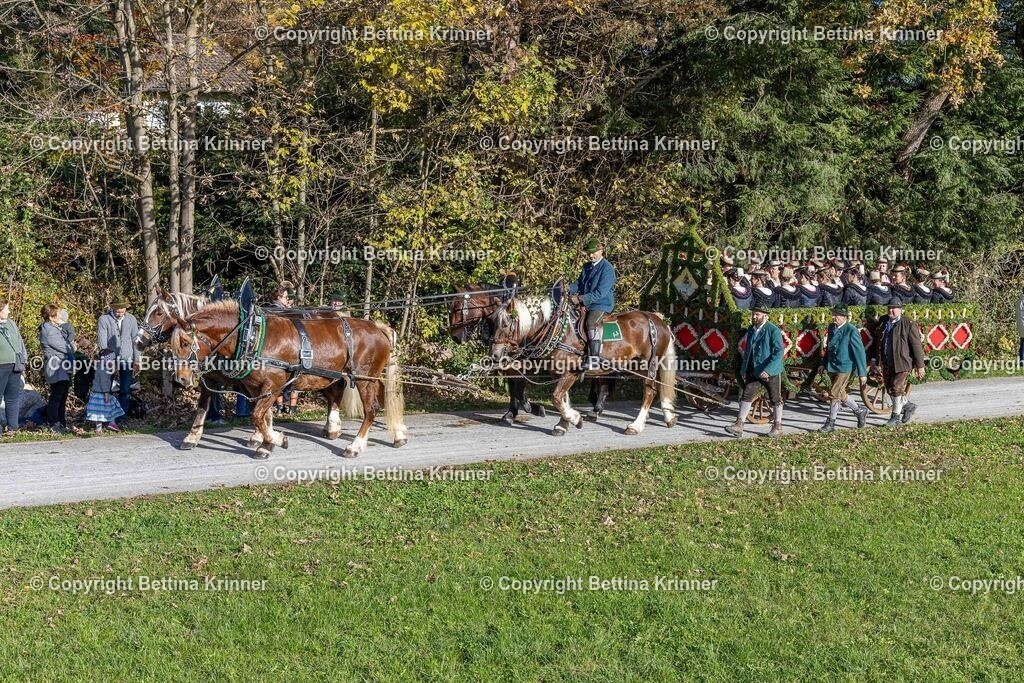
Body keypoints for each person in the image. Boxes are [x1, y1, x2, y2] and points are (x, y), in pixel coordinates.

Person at [725, 303, 786, 439]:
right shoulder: (752, 329)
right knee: (747, 395)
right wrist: (744, 369)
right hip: (754, 371)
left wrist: (769, 370)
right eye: (753, 313)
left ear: (765, 315)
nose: (754, 316)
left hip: (771, 372)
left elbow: (778, 353)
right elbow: (748, 351)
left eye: (757, 314)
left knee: (775, 398)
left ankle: (778, 427)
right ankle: (739, 425)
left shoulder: (773, 330)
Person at [871, 297, 926, 427]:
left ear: (900, 309)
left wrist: (920, 366)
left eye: (894, 308)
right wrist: (874, 359)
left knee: (896, 388)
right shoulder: (883, 321)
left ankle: (895, 417)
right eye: (889, 308)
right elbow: (877, 342)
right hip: (886, 361)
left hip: (903, 362)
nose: (891, 310)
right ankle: (908, 405)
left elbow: (916, 346)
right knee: (890, 389)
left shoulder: (908, 323)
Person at [819, 303, 869, 433]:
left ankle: (830, 423)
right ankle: (860, 411)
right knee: (840, 393)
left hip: (845, 366)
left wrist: (863, 373)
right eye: (833, 314)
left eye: (837, 315)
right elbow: (828, 348)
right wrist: (822, 363)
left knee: (834, 393)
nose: (834, 317)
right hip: (832, 365)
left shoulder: (851, 330)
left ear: (845, 317)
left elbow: (859, 352)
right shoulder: (831, 328)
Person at [568, 238, 616, 372]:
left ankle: (594, 359)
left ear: (601, 251)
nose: (590, 255)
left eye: (593, 253)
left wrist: (580, 299)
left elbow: (600, 292)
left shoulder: (607, 269)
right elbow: (579, 284)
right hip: (585, 303)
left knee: (590, 323)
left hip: (601, 304)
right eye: (588, 253)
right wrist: (567, 288)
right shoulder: (587, 267)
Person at [96, 302, 141, 419]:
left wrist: (137, 360)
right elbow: (102, 342)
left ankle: (122, 416)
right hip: (110, 358)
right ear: (112, 309)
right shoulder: (104, 319)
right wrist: (109, 360)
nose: (120, 314)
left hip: (127, 358)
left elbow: (136, 340)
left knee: (125, 389)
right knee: (107, 388)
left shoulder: (131, 319)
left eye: (122, 311)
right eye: (117, 311)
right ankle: (107, 416)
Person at [39, 304, 76, 433]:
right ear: (50, 316)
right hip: (55, 366)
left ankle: (61, 422)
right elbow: (66, 347)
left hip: (62, 366)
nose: (60, 316)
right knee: (57, 396)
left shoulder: (53, 327)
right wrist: (72, 347)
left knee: (63, 395)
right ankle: (53, 422)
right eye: (57, 314)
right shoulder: (48, 330)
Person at [267, 282, 300, 414]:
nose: (288, 299)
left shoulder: (276, 309)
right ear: (279, 297)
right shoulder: (277, 310)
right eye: (286, 297)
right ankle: (283, 407)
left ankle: (284, 408)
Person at [0, 299, 27, 436]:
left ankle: (12, 428)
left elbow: (20, 343)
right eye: (6, 309)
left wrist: (23, 362)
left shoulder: (11, 323)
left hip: (15, 365)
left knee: (12, 398)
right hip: (1, 365)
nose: (9, 311)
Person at [85, 349, 123, 433]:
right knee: (99, 411)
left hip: (101, 393)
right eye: (112, 360)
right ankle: (99, 428)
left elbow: (112, 372)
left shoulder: (104, 367)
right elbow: (103, 382)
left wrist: (112, 368)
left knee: (111, 407)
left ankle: (111, 423)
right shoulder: (102, 369)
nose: (113, 362)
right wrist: (106, 393)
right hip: (101, 393)